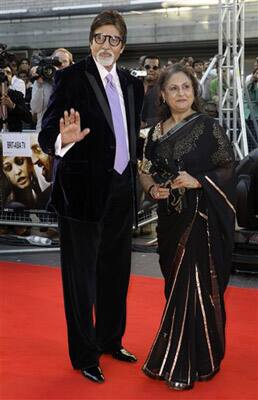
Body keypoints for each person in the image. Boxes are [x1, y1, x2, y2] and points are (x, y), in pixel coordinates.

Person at [38, 10, 144, 383]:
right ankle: (85, 355)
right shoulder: (70, 77)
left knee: (116, 273)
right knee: (81, 280)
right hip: (81, 194)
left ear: (123, 46)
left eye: (113, 39)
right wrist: (60, 140)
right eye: (100, 37)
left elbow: (130, 135)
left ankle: (110, 340)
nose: (106, 44)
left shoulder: (133, 84)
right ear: (90, 42)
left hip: (120, 190)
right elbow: (45, 132)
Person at [139, 63, 235, 391]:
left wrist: (200, 181)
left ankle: (195, 358)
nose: (182, 93)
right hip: (168, 222)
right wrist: (152, 188)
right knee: (174, 286)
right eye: (174, 88)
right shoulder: (155, 133)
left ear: (194, 91)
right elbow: (145, 169)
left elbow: (228, 168)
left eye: (186, 87)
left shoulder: (209, 127)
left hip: (201, 220)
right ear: (163, 95)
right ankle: (181, 348)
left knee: (194, 288)